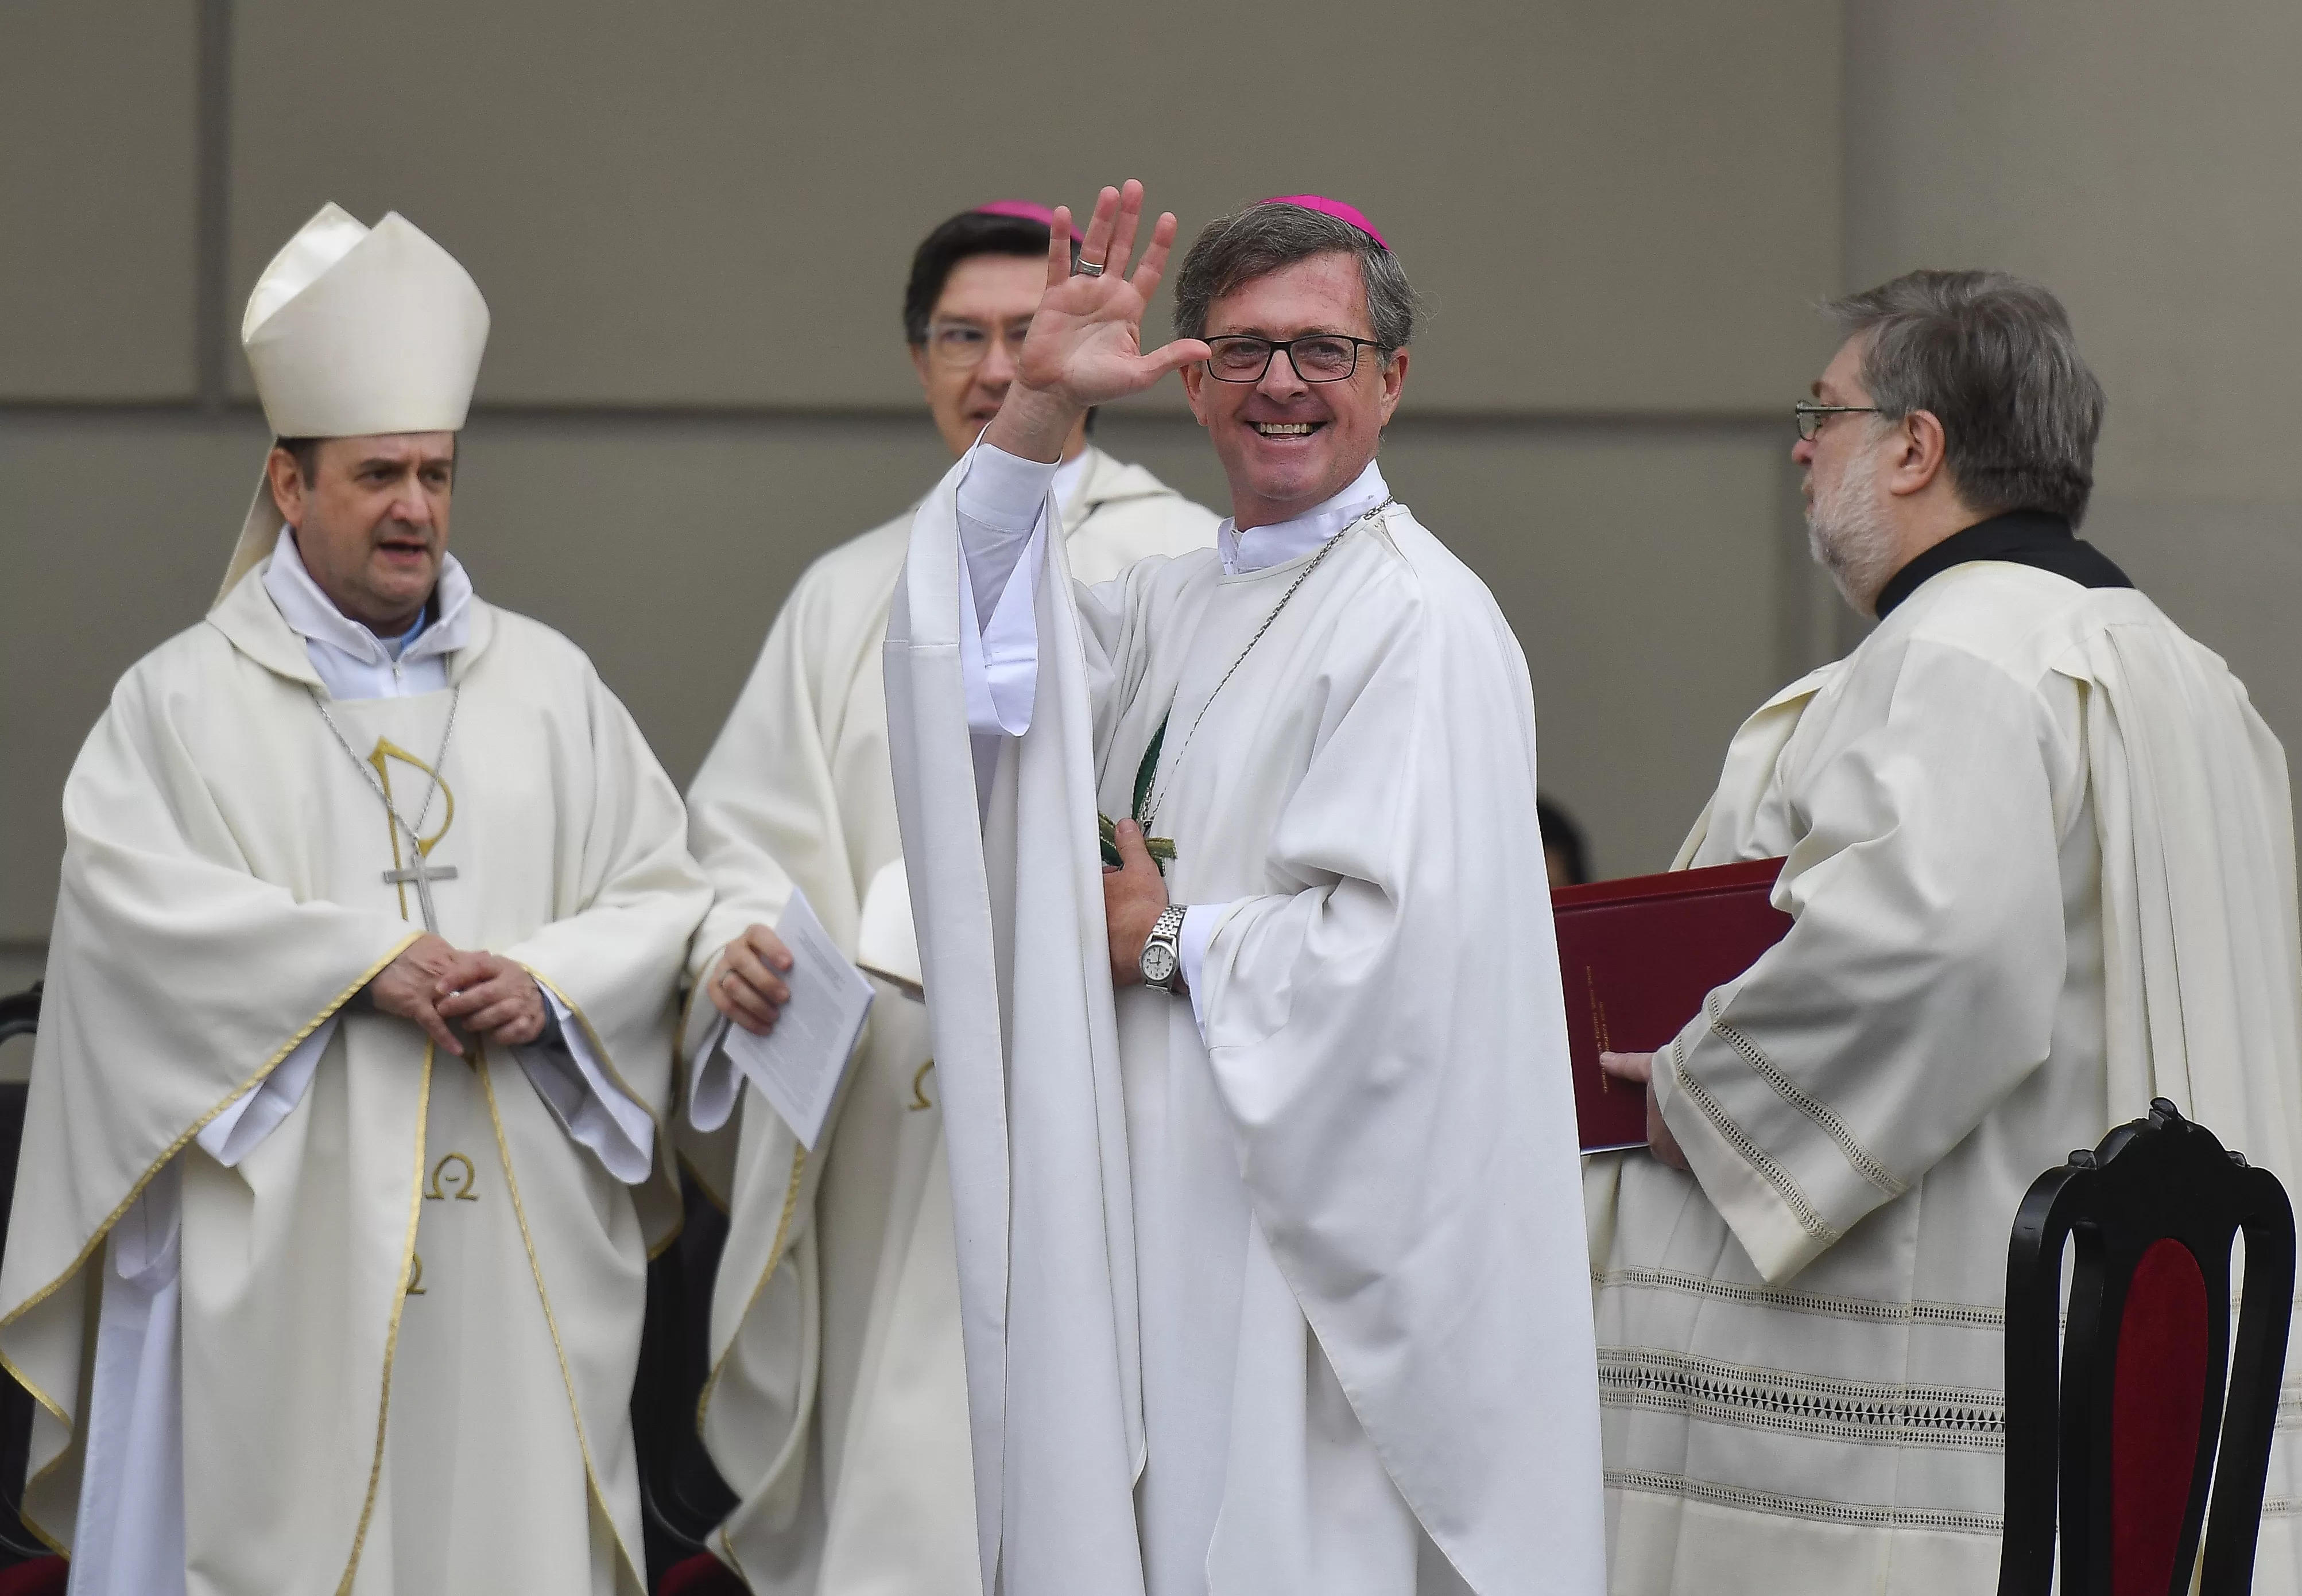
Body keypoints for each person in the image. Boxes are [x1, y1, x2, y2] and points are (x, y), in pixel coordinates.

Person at [885, 182, 1606, 1595]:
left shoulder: (1421, 621)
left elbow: (1414, 973)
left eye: (1323, 351)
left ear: (1390, 383)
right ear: (1194, 381)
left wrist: (1172, 939)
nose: (1282, 383)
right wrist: (1032, 420)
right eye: (1243, 351)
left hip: (1308, 1278)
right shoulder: (1170, 599)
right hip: (1163, 1215)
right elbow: (977, 693)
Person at [1590, 271, 2302, 1593]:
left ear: (1916, 446)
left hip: (1927, 1432)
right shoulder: (2183, 671)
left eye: (1823, 411)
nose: (1800, 444)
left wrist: (1701, 1092)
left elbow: (1936, 949)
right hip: (2140, 1389)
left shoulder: (1959, 657)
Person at [0, 204, 709, 1594]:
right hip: (285, 1250)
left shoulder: (552, 686)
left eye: (437, 475)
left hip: (512, 1242)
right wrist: (356, 961)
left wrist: (553, 983)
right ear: (286, 481)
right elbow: (128, 924)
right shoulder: (179, 703)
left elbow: (659, 892)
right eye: (379, 473)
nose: (416, 510)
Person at [680, 200, 1217, 1591]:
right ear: (917, 356)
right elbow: (747, 826)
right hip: (893, 1126)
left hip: (1087, 1110)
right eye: (961, 335)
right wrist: (738, 941)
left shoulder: (1182, 561)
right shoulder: (849, 589)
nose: (995, 364)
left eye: (1021, 330)